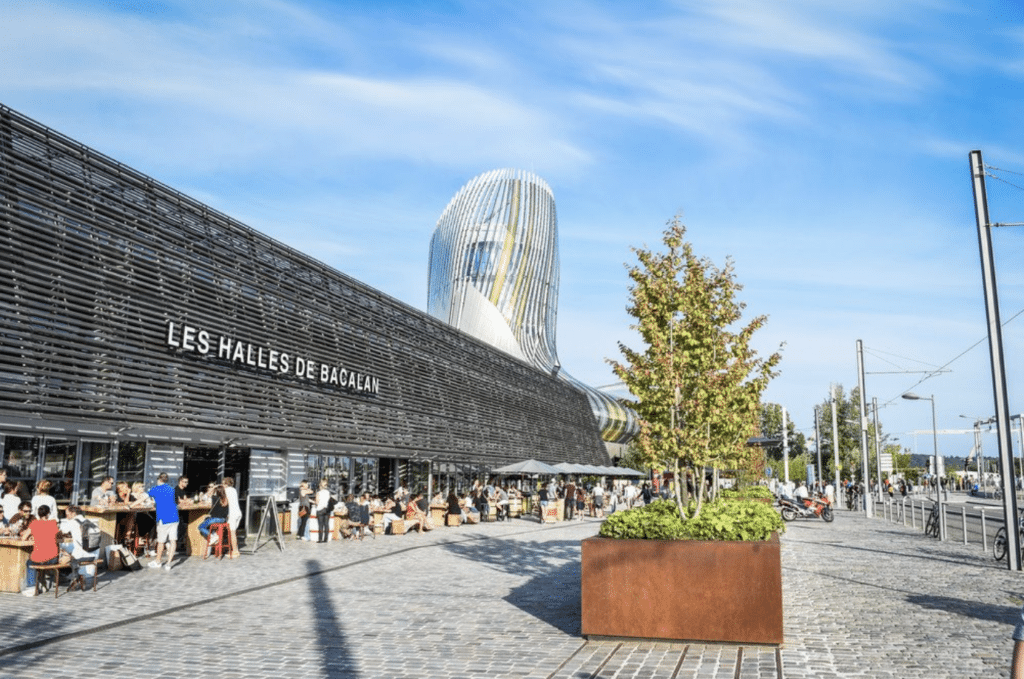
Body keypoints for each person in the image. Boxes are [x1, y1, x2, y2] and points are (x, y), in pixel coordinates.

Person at [22, 503, 60, 596]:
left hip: (38, 558)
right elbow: (57, 536)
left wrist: (32, 537)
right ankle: (41, 585)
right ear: (48, 514)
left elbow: (23, 538)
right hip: (53, 559)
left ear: (38, 514)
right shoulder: (53, 523)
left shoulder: (34, 523)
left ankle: (32, 587)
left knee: (29, 563)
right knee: (37, 562)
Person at [59, 505, 99, 588]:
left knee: (63, 558)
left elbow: (60, 532)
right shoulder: (88, 521)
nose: (66, 516)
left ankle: (74, 577)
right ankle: (79, 576)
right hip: (93, 555)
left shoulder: (72, 522)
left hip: (80, 556)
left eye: (67, 514)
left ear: (73, 513)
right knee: (71, 554)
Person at [147, 472, 178, 571]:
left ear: (158, 479)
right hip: (174, 516)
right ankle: (168, 564)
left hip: (163, 518)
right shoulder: (171, 489)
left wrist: (131, 506)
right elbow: (166, 501)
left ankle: (158, 561)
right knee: (173, 540)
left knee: (161, 541)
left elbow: (145, 497)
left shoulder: (156, 489)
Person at [198, 485, 229, 558]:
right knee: (207, 524)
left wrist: (214, 486)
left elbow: (209, 493)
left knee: (200, 527)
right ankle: (213, 535)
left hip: (216, 519)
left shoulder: (214, 498)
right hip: (223, 520)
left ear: (216, 491)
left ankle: (213, 536)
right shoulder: (226, 499)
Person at [222, 477, 242, 558]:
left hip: (232, 514)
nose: (222, 485)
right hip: (238, 513)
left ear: (226, 484)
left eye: (223, 483)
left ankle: (235, 551)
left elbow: (225, 503)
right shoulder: (234, 490)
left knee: (232, 533)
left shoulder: (226, 490)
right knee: (233, 532)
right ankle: (232, 549)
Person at [315, 479, 331, 543]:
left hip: (320, 509)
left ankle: (320, 539)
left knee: (320, 525)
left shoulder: (318, 493)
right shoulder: (328, 492)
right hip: (326, 509)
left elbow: (317, 502)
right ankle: (326, 539)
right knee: (326, 525)